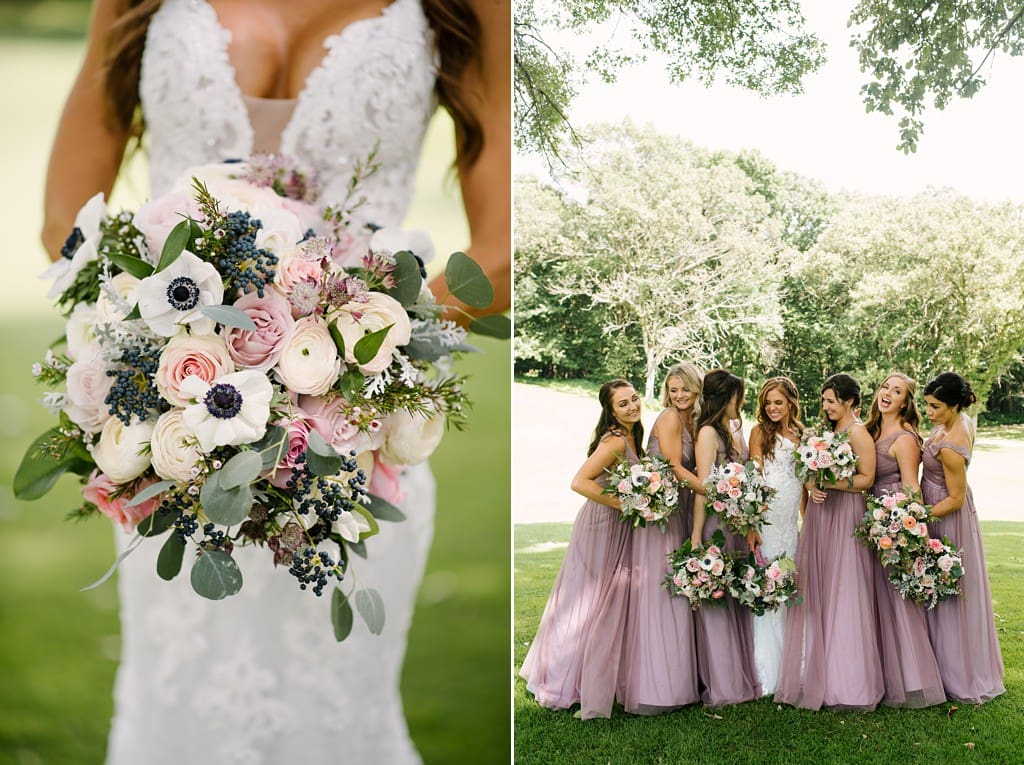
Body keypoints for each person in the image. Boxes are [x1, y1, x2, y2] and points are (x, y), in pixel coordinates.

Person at [41, 2, 510, 763]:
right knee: (177, 709)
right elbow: (67, 217)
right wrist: (160, 339)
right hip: (176, 446)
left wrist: (344, 339)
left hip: (351, 451)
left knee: (338, 715)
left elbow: (502, 253)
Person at [519, 380, 642, 719]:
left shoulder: (631, 435)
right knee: (588, 602)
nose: (632, 406)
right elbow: (579, 482)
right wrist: (626, 504)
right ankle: (564, 679)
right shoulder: (616, 440)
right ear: (611, 410)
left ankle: (596, 675)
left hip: (615, 526)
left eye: (633, 399)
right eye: (623, 404)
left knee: (602, 601)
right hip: (601, 525)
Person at [775, 373, 883, 711]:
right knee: (819, 587)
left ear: (849, 401)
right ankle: (816, 669)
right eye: (823, 400)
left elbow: (866, 479)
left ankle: (847, 680)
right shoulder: (826, 434)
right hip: (822, 515)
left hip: (846, 515)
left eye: (831, 400)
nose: (825, 406)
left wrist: (831, 482)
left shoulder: (858, 433)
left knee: (845, 588)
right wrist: (811, 483)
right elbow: (810, 472)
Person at [620, 363, 703, 714]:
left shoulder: (696, 421)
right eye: (673, 389)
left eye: (684, 388)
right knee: (662, 595)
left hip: (679, 508)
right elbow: (674, 467)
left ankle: (679, 677)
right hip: (661, 518)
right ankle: (656, 686)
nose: (678, 395)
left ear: (696, 388)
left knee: (678, 595)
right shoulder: (670, 418)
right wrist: (718, 493)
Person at [921, 372, 1005, 703]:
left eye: (936, 407)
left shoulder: (951, 447)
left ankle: (955, 674)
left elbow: (955, 498)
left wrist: (917, 518)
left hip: (946, 516)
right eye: (927, 405)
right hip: (940, 505)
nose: (929, 413)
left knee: (949, 595)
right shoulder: (962, 419)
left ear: (954, 405)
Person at [864, 373, 945, 708]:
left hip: (893, 519)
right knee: (875, 601)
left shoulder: (905, 437)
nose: (887, 394)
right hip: (869, 518)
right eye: (885, 387)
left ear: (905, 402)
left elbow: (912, 488)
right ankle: (879, 673)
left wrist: (909, 535)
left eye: (896, 392)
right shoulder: (870, 429)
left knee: (897, 599)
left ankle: (911, 679)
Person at [688, 368, 761, 706]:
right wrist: (696, 534)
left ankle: (741, 674)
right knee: (717, 599)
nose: (741, 402)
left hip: (735, 522)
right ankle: (723, 683)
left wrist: (748, 521)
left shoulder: (733, 429)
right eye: (737, 396)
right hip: (716, 524)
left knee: (734, 598)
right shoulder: (706, 433)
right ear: (725, 398)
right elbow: (703, 487)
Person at [747, 376, 804, 696]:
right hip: (767, 522)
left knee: (789, 585)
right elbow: (754, 480)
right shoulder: (758, 433)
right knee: (767, 586)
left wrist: (807, 521)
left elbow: (807, 483)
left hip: (789, 524)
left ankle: (792, 663)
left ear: (791, 404)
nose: (771, 408)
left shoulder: (802, 434)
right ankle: (765, 669)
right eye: (767, 402)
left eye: (778, 402)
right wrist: (752, 524)